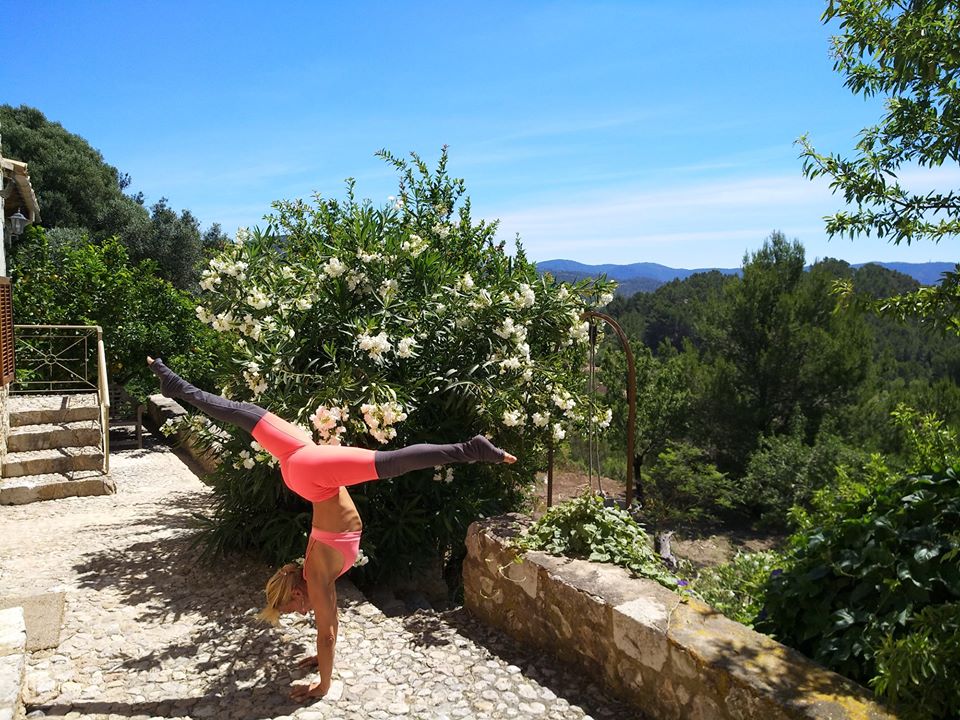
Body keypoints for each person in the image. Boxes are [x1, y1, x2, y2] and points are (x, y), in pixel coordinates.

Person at [147, 357, 516, 700]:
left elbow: (325, 633)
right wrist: (320, 658)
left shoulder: (318, 579)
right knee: (242, 413)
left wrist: (322, 685)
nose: (300, 613)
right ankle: (176, 385)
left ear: (296, 593)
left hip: (311, 473)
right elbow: (330, 628)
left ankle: (471, 448)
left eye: (292, 609)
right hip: (298, 459)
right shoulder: (314, 575)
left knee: (390, 462)